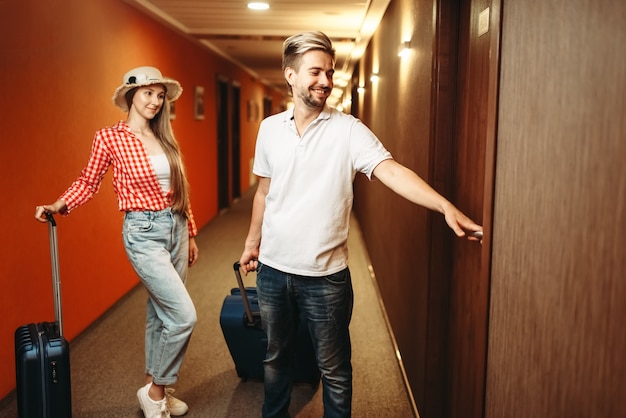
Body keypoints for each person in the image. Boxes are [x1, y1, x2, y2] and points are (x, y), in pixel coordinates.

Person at [238, 31, 483, 418]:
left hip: (326, 276)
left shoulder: (348, 130)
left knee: (334, 369)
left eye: (330, 73)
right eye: (315, 72)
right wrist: (252, 243)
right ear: (290, 75)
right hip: (272, 269)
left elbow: (391, 171)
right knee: (275, 357)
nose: (325, 81)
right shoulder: (269, 129)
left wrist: (443, 206)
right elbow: (264, 192)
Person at [34, 66, 198, 418]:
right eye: (148, 93)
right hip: (143, 231)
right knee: (183, 315)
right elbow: (88, 181)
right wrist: (59, 204)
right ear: (130, 95)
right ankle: (154, 392)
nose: (155, 101)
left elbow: (178, 190)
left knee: (161, 314)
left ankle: (159, 391)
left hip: (177, 228)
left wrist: (191, 231)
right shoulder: (109, 138)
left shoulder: (165, 137)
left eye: (160, 95)